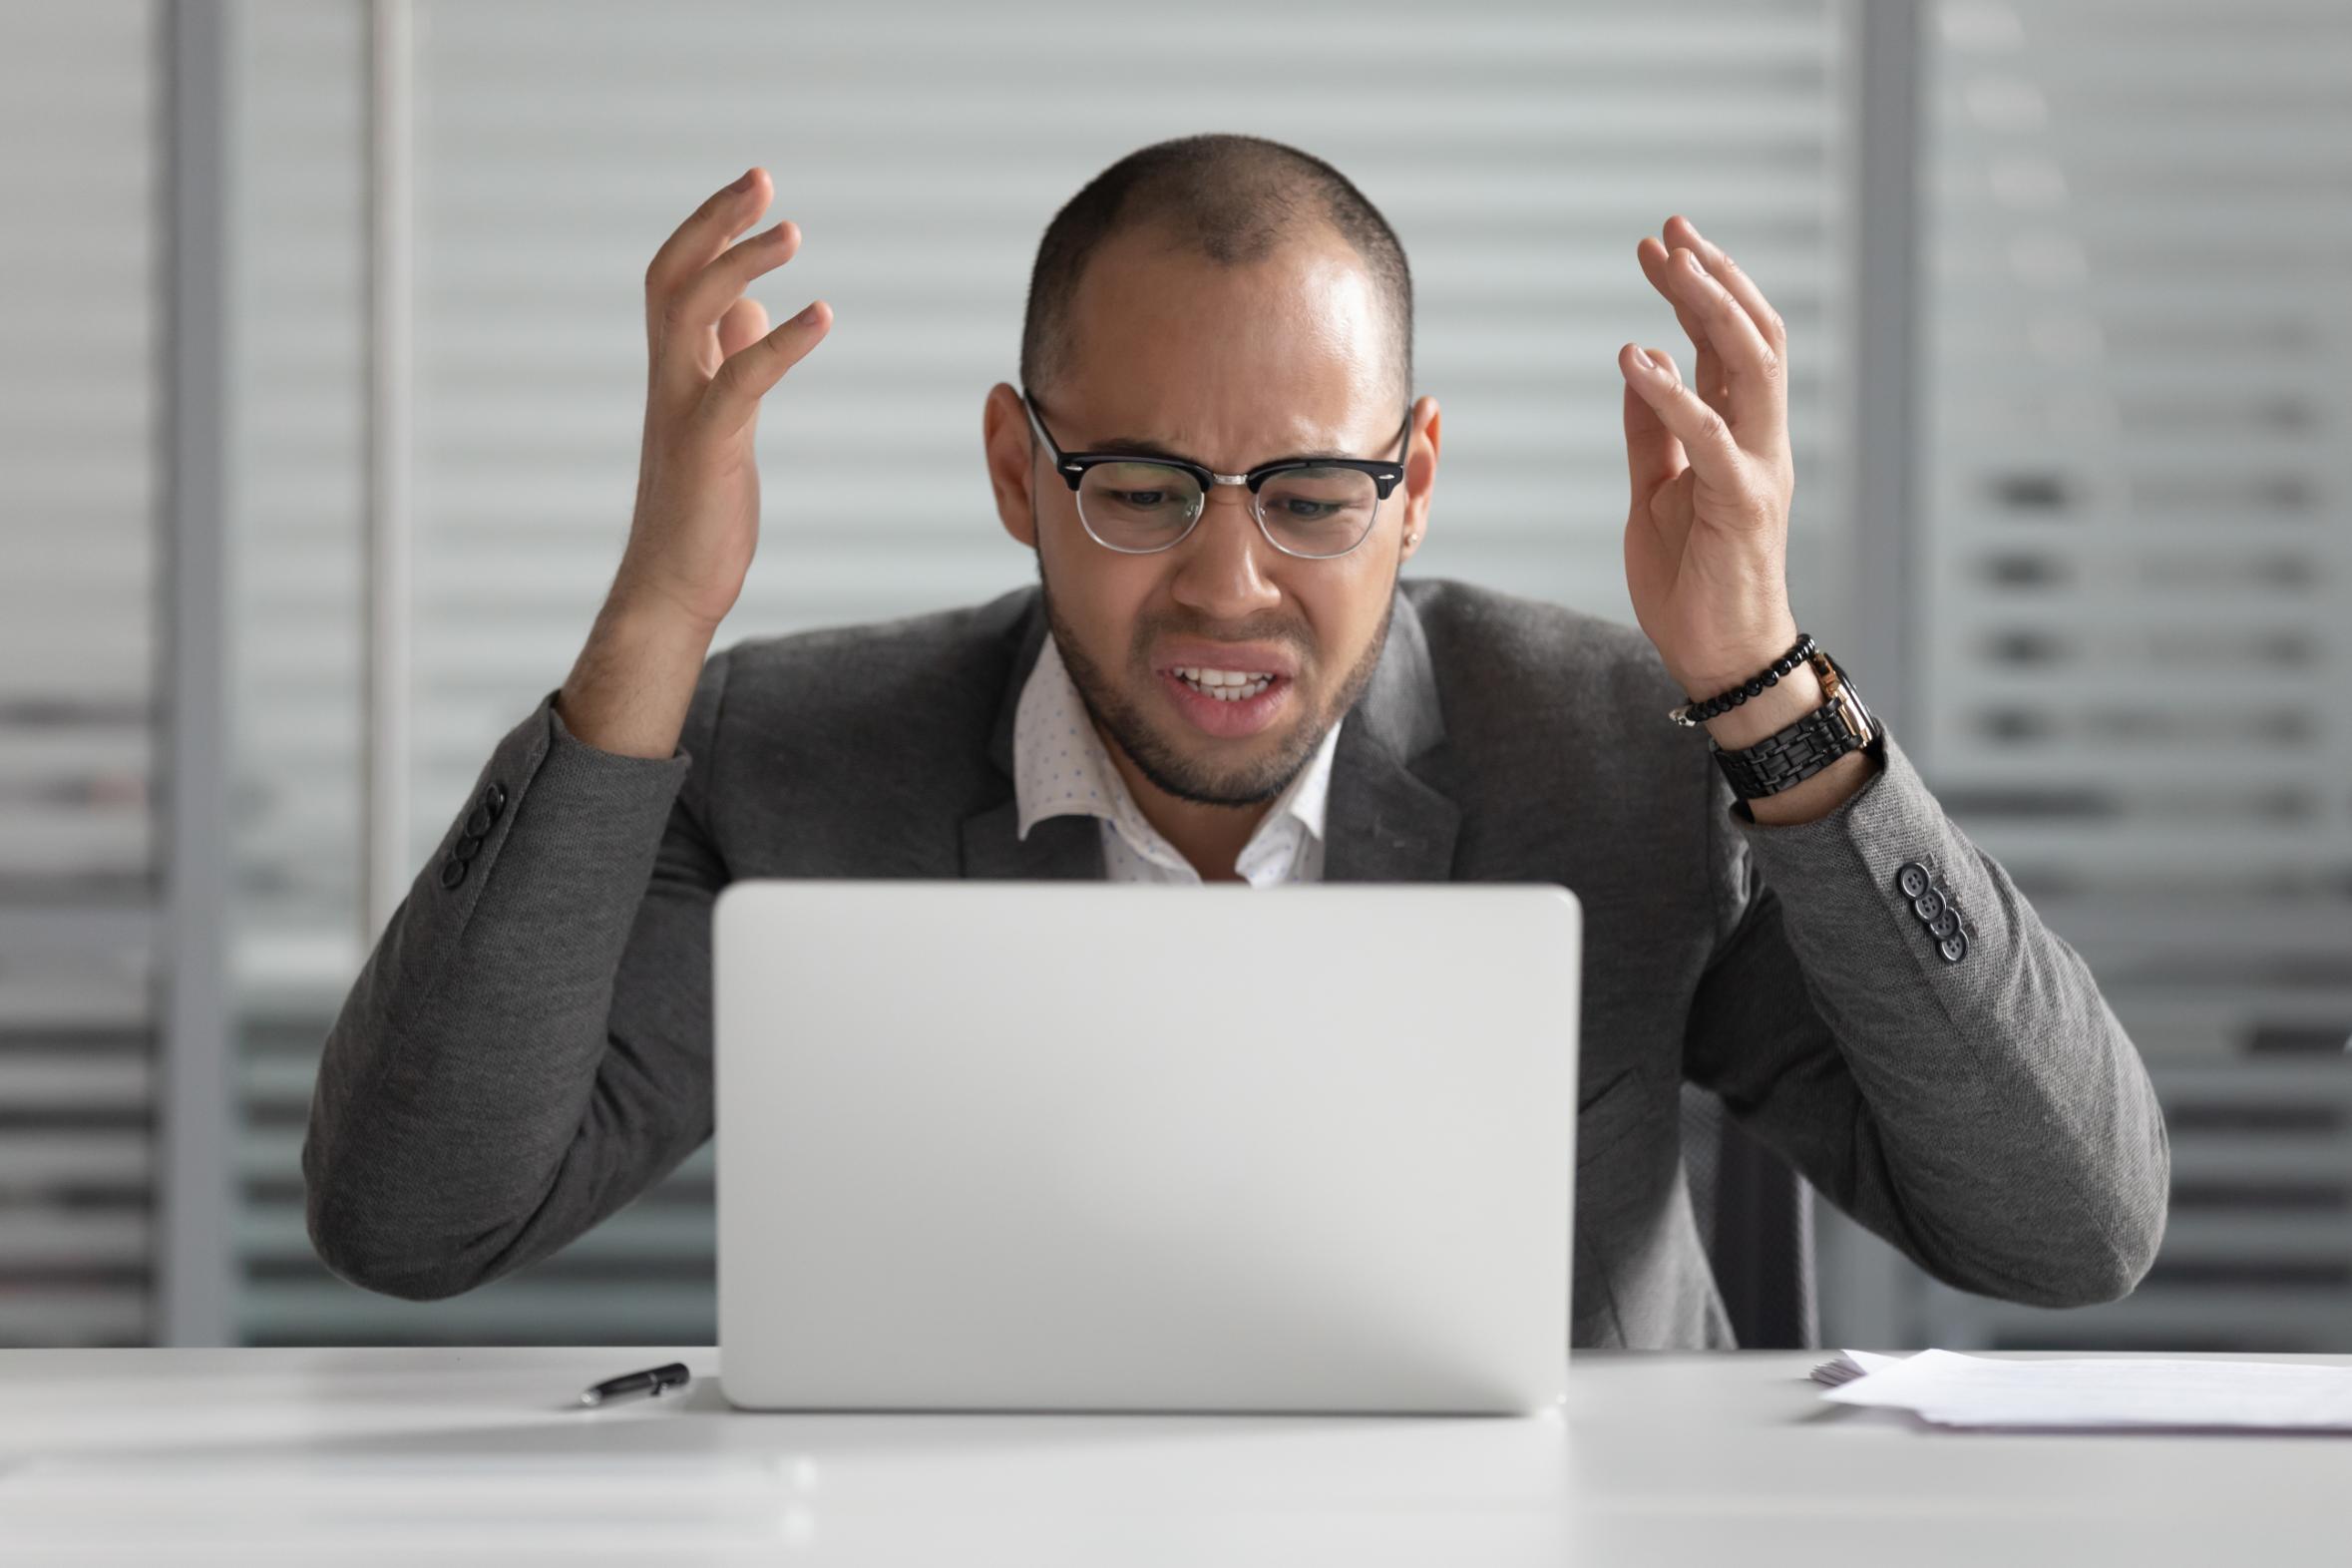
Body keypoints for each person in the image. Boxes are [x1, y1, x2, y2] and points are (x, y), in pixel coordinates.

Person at [301, 135, 2167, 1348]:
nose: (1225, 582)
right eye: (1136, 486)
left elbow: (2067, 1227)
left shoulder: (1619, 755)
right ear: (1014, 475)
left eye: (1309, 492)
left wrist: (1763, 687)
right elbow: (412, 1216)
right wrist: (649, 628)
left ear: (1414, 484)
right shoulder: (796, 750)